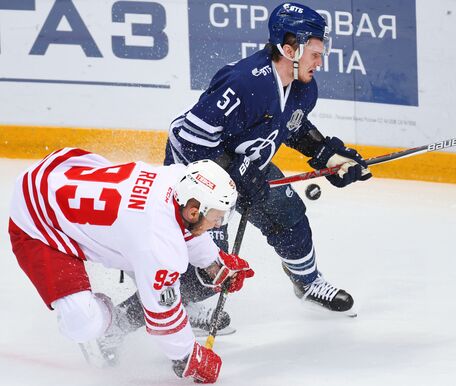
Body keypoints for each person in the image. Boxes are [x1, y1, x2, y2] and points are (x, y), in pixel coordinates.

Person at [162, 1, 372, 320]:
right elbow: (190, 139)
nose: (320, 61)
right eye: (315, 53)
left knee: (288, 215)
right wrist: (226, 181)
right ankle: (182, 306)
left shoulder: (303, 89)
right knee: (210, 254)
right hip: (199, 172)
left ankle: (308, 282)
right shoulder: (243, 82)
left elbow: (292, 125)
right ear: (290, 50)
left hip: (247, 166)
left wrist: (327, 154)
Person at [8, 148, 254, 383]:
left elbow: (182, 227)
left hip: (58, 170)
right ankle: (112, 322)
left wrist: (214, 263)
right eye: (217, 217)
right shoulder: (158, 245)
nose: (219, 223)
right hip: (36, 222)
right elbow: (163, 318)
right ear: (193, 211)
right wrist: (189, 356)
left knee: (139, 248)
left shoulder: (176, 178)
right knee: (82, 324)